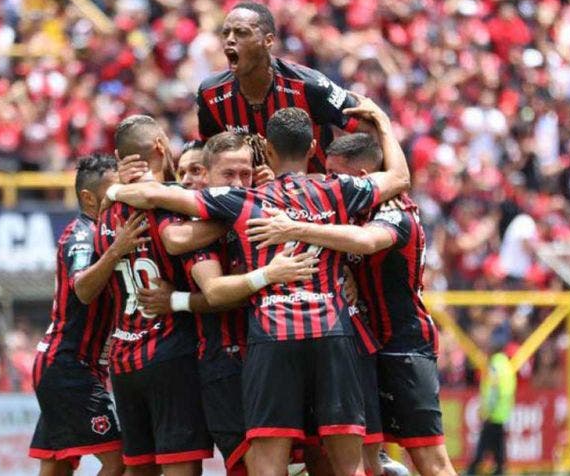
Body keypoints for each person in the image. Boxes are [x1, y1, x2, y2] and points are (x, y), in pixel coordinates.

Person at [104, 99, 410, 476]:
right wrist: (381, 121)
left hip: (272, 338)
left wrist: (115, 191)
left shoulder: (246, 200)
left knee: (270, 466)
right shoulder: (335, 190)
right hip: (330, 335)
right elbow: (398, 179)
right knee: (348, 466)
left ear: (265, 150)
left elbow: (154, 198)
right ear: (313, 149)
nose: (237, 180)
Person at [245, 132, 456, 475]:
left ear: (360, 178)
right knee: (365, 458)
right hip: (361, 347)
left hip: (404, 348)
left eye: (334, 174)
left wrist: (294, 228)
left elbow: (364, 241)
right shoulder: (343, 211)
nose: (328, 181)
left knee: (430, 462)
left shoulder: (394, 211)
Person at [136, 132, 321, 474]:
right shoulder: (191, 226)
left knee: (304, 460)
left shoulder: (269, 209)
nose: (238, 183)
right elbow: (214, 290)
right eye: (228, 176)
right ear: (207, 177)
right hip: (224, 362)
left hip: (276, 355)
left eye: (245, 175)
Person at [95, 115, 214, 474]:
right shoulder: (171, 204)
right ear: (161, 145)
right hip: (169, 351)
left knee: (139, 469)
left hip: (124, 357)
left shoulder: (107, 211)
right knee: (180, 466)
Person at [28, 154, 138, 476]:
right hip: (68, 366)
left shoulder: (102, 231)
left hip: (65, 365)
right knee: (118, 462)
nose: (120, 197)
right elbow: (82, 288)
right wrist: (117, 250)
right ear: (89, 198)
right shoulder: (82, 234)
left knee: (56, 465)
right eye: (113, 191)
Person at [197, 1, 368, 173]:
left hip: (312, 195)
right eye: (225, 33)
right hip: (249, 197)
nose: (230, 40)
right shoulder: (211, 94)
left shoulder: (310, 85)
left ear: (268, 41)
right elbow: (210, 156)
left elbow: (371, 127)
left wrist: (351, 182)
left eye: (241, 32)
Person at [467, 329, 517, 476]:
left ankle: (472, 471)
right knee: (497, 446)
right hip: (502, 413)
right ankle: (500, 470)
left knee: (483, 446)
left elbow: (494, 391)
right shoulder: (506, 365)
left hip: (493, 413)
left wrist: (487, 410)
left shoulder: (494, 365)